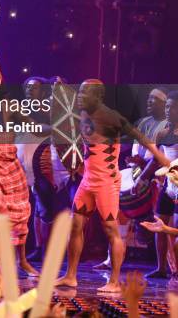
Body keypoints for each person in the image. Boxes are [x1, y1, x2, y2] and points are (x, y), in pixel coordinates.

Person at [56, 79, 169, 293]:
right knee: (76, 226)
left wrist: (160, 158)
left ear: (98, 97)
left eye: (84, 93)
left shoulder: (110, 117)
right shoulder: (83, 112)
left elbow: (141, 137)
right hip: (88, 180)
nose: (80, 97)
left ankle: (115, 282)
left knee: (111, 230)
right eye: (79, 92)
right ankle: (70, 276)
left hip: (106, 182)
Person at [137, 90, 178, 279]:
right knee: (160, 224)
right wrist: (142, 178)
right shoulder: (163, 132)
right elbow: (156, 159)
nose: (168, 110)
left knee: (175, 230)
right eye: (167, 106)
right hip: (168, 187)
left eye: (172, 106)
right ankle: (162, 268)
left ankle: (176, 270)